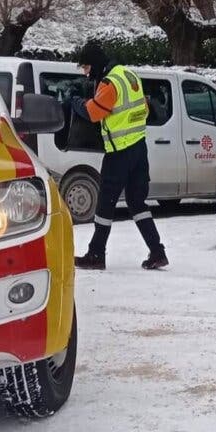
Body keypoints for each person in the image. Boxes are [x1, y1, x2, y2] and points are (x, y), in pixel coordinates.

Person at [71, 42, 168, 271]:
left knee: (105, 204)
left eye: (85, 67)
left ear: (94, 64)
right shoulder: (128, 74)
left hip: (119, 153)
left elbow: (92, 113)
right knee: (137, 202)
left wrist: (75, 101)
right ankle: (157, 252)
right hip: (138, 149)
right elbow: (143, 107)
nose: (85, 73)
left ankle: (96, 255)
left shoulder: (109, 83)